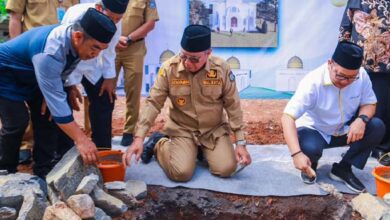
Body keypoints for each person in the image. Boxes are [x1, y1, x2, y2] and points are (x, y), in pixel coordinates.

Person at [123, 25, 252, 182]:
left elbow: (233, 106)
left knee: (226, 168)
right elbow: (153, 103)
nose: (187, 63)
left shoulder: (221, 69)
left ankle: (200, 150)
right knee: (181, 173)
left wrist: (240, 142)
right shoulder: (169, 69)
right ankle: (159, 144)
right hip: (182, 129)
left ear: (208, 53)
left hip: (213, 130)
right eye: (184, 56)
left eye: (194, 59)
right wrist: (139, 138)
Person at [0, 8, 116, 178]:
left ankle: (43, 170)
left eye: (101, 50)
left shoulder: (77, 42)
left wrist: (65, 87)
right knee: (17, 122)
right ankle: (6, 172)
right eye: (95, 48)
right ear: (77, 37)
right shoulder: (51, 52)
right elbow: (59, 106)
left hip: (34, 74)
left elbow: (63, 69)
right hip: (7, 74)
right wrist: (82, 140)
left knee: (47, 116)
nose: (96, 55)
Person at [281, 41, 385, 193]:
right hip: (315, 130)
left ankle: (343, 168)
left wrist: (361, 119)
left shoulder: (361, 76)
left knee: (376, 127)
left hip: (344, 130)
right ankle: (311, 162)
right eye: (341, 76)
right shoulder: (313, 81)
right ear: (330, 63)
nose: (346, 82)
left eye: (352, 78)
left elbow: (370, 103)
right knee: (310, 148)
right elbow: (287, 117)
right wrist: (296, 154)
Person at [6, 0, 78, 164]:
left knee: (53, 108)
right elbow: (15, 19)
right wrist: (20, 58)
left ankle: (53, 156)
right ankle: (25, 146)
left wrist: (71, 81)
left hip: (60, 57)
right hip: (33, 54)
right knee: (29, 111)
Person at [62, 0, 129, 149]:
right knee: (64, 102)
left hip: (91, 64)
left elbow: (110, 50)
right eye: (112, 18)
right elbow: (67, 50)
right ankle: (63, 153)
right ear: (99, 8)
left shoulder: (115, 21)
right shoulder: (76, 16)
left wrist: (109, 77)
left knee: (105, 98)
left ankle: (102, 150)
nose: (115, 22)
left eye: (119, 19)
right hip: (68, 64)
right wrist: (70, 84)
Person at [339, 0, 390, 165]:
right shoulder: (356, 1)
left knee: (384, 104)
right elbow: (346, 26)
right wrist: (343, 53)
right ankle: (357, 145)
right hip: (360, 61)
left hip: (386, 63)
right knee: (357, 105)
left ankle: (382, 148)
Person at [115, 0, 159, 146]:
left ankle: (129, 131)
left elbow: (151, 23)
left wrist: (128, 38)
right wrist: (116, 39)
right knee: (104, 89)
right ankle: (101, 129)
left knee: (133, 91)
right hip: (110, 48)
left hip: (134, 48)